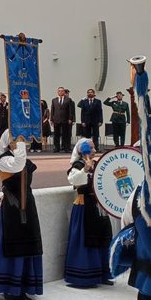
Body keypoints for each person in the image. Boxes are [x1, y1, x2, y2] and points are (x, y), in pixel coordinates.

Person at [0, 130, 43, 300]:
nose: (22, 141)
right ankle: (11, 290)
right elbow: (18, 164)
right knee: (14, 247)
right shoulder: (4, 159)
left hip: (28, 206)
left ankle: (24, 286)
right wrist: (19, 144)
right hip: (12, 209)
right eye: (17, 138)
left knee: (28, 246)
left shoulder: (19, 155)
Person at [64, 138, 113, 287]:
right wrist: (85, 169)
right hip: (84, 206)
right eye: (90, 147)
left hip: (99, 206)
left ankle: (103, 274)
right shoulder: (77, 165)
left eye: (93, 147)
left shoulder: (99, 164)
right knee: (86, 239)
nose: (93, 149)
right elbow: (73, 180)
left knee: (103, 237)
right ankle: (83, 277)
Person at [51, 87, 75, 153]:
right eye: (59, 91)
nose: (61, 92)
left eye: (62, 91)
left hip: (65, 119)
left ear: (64, 92)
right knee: (56, 135)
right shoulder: (54, 100)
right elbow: (52, 110)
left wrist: (70, 118)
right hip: (56, 119)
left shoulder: (68, 100)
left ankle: (66, 148)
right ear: (57, 92)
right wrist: (51, 120)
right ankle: (56, 148)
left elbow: (70, 110)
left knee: (65, 134)